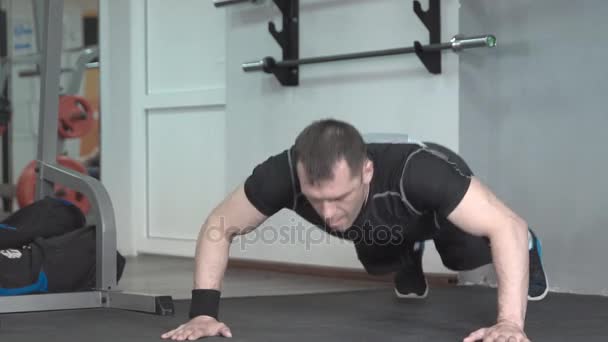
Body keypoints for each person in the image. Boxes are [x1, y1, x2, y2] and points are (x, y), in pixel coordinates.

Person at [161, 119, 548, 342]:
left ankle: (530, 249)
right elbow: (219, 225)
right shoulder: (280, 175)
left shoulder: (421, 171)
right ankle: (407, 252)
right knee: (375, 260)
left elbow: (506, 224)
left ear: (366, 171)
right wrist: (203, 314)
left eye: (339, 197)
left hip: (436, 204)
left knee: (465, 254)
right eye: (315, 199)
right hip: (388, 217)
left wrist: (509, 324)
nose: (328, 215)